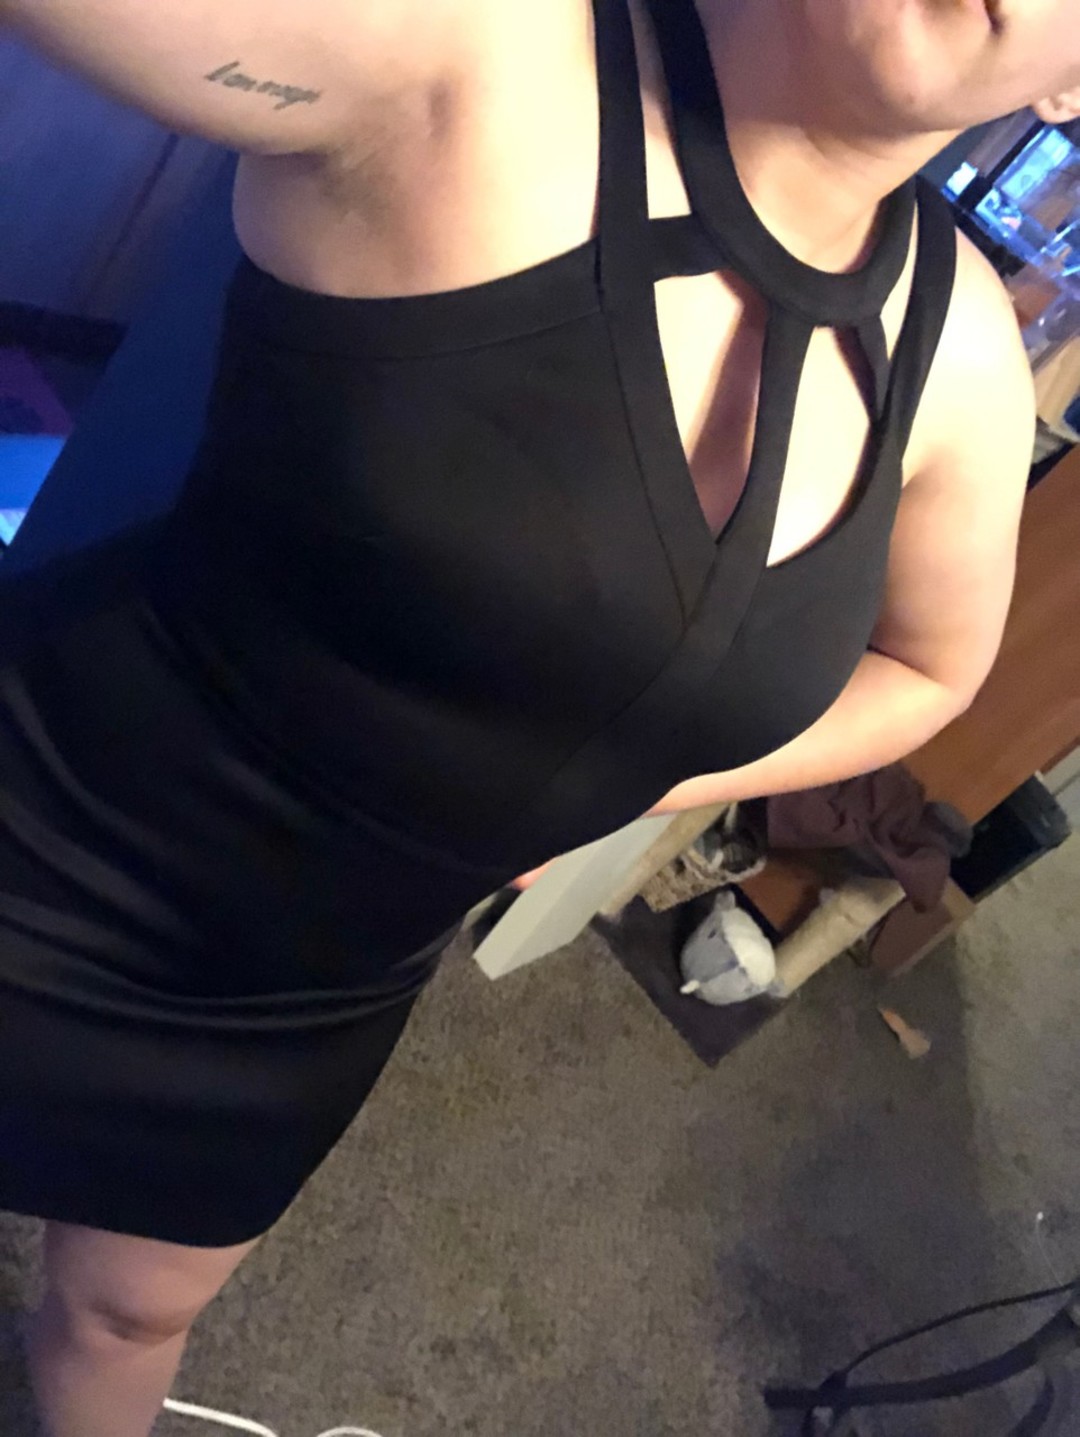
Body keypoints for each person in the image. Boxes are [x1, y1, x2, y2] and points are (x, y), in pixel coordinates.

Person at [0, 1, 1077, 1434]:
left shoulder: (964, 366)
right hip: (58, 814)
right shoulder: (490, 49)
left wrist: (624, 780)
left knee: (131, 1311)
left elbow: (932, 671)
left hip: (316, 985)